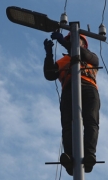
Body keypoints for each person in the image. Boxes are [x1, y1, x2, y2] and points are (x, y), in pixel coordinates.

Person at [43, 32, 100, 176]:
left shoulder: (91, 56)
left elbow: (80, 52)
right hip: (69, 90)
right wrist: (49, 54)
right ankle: (69, 157)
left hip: (89, 88)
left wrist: (62, 40)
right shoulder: (65, 59)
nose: (72, 43)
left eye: (76, 40)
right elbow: (50, 74)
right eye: (71, 40)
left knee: (90, 121)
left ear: (84, 44)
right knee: (68, 124)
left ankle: (89, 155)